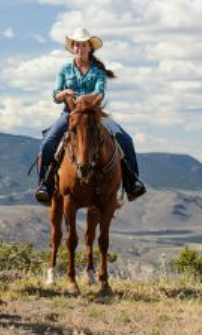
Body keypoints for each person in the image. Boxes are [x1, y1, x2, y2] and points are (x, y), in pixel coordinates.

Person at [34, 28, 147, 205]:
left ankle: (132, 182)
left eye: (84, 44)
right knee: (48, 142)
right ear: (73, 48)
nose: (80, 47)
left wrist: (83, 98)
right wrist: (64, 93)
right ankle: (44, 185)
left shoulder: (98, 71)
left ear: (89, 48)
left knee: (125, 140)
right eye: (77, 44)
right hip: (70, 113)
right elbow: (55, 95)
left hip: (96, 114)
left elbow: (100, 94)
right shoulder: (64, 69)